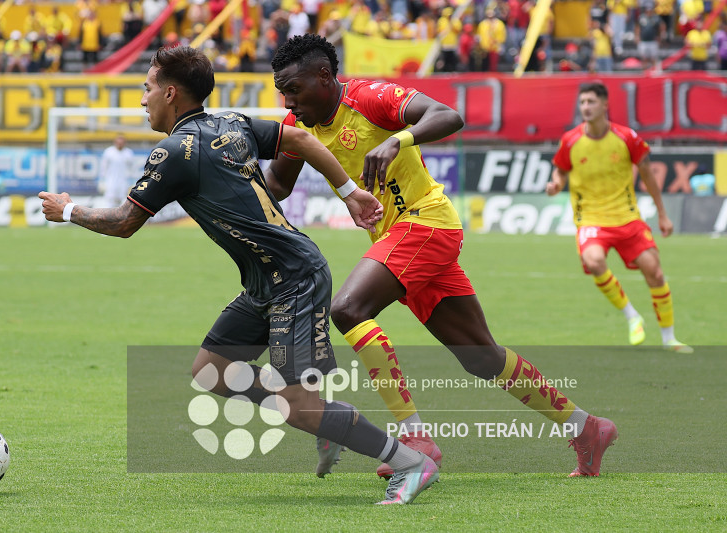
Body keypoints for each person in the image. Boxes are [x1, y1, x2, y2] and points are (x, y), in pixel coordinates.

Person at [38, 45, 436, 505]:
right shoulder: (232, 123)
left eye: (146, 89)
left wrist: (68, 210)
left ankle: (409, 462)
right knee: (212, 371)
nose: (142, 99)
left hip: (296, 280)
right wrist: (348, 192)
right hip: (267, 281)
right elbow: (301, 139)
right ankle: (328, 418)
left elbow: (125, 222)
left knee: (298, 407)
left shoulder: (173, 153)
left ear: (170, 93)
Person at [267, 33, 618, 480]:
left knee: (348, 309)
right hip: (403, 238)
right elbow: (278, 185)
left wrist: (399, 140)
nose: (288, 101)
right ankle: (586, 427)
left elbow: (448, 115)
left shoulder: (368, 98)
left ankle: (415, 439)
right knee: (481, 356)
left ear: (323, 76)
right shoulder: (298, 127)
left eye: (294, 89)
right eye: (283, 92)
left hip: (426, 223)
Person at [547, 82, 692, 353]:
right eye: (582, 102)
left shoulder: (627, 138)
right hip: (591, 219)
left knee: (655, 271)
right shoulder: (570, 140)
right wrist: (556, 184)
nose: (586, 107)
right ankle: (632, 316)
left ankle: (669, 339)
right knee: (593, 260)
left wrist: (662, 214)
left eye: (591, 102)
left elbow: (648, 175)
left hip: (627, 218)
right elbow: (560, 170)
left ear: (605, 105)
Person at [98, 135, 136, 207]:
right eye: (118, 143)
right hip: (111, 182)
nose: (120, 145)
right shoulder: (109, 152)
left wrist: (133, 181)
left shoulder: (128, 153)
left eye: (121, 143)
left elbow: (132, 168)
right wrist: (102, 180)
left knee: (123, 202)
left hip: (124, 182)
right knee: (110, 201)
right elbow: (103, 167)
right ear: (115, 142)